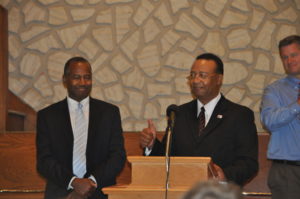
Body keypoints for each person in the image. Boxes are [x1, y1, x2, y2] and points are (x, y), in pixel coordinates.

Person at [140, 53, 258, 186]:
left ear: (219, 79)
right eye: (192, 75)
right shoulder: (179, 114)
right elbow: (166, 158)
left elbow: (249, 163)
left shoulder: (239, 115)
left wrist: (225, 174)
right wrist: (151, 145)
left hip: (220, 193)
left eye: (202, 75)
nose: (195, 80)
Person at [36, 57, 126, 199]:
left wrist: (91, 182)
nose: (83, 83)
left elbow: (117, 156)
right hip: (61, 193)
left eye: (87, 77)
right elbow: (44, 161)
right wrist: (73, 182)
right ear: (65, 80)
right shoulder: (47, 116)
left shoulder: (109, 113)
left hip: (99, 192)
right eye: (76, 77)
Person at [260, 35, 300, 199]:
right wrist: (297, 105)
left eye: (294, 55)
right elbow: (268, 121)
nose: (289, 61)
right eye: (285, 57)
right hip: (287, 172)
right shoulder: (274, 91)